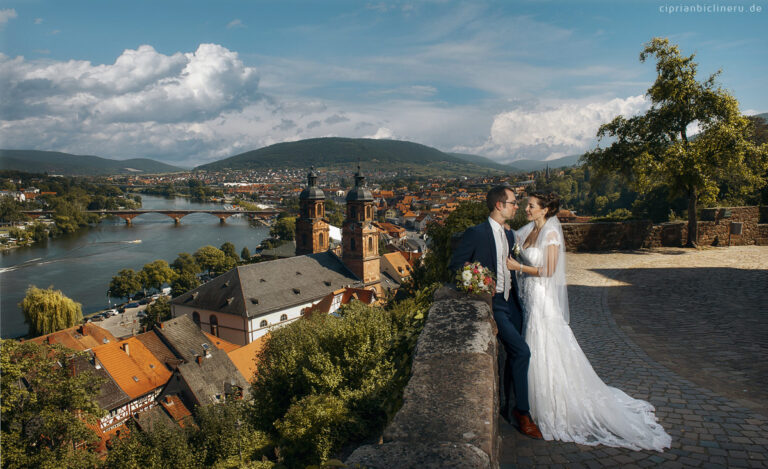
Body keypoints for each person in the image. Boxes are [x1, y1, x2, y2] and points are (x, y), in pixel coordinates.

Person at [505, 192, 672, 451]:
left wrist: (519, 268)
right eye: (526, 205)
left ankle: (549, 404)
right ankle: (531, 402)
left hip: (541, 300)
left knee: (543, 346)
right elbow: (511, 236)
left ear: (545, 210)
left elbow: (548, 271)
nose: (526, 209)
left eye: (531, 206)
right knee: (532, 346)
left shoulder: (550, 234)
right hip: (528, 298)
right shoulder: (528, 230)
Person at [449, 185, 543, 439]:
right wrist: (479, 281)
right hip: (495, 304)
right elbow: (456, 266)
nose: (516, 206)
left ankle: (507, 407)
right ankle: (523, 413)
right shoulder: (476, 233)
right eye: (513, 202)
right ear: (499, 205)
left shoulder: (510, 236)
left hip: (512, 303)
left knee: (515, 354)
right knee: (522, 351)